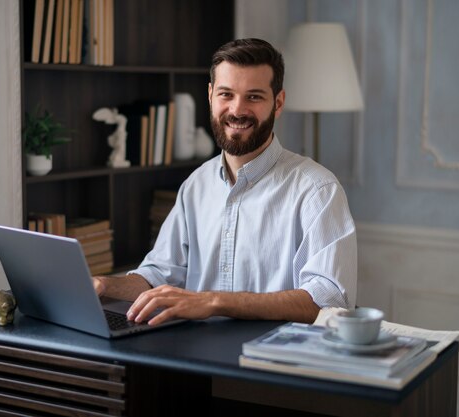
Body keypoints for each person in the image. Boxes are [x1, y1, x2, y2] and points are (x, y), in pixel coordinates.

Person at [92, 38, 357, 326]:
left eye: (254, 97)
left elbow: (328, 301)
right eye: (226, 94)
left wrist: (214, 301)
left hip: (273, 364)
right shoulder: (196, 185)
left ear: (277, 103)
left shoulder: (317, 190)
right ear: (210, 95)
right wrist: (105, 285)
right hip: (195, 359)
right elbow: (159, 274)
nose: (237, 110)